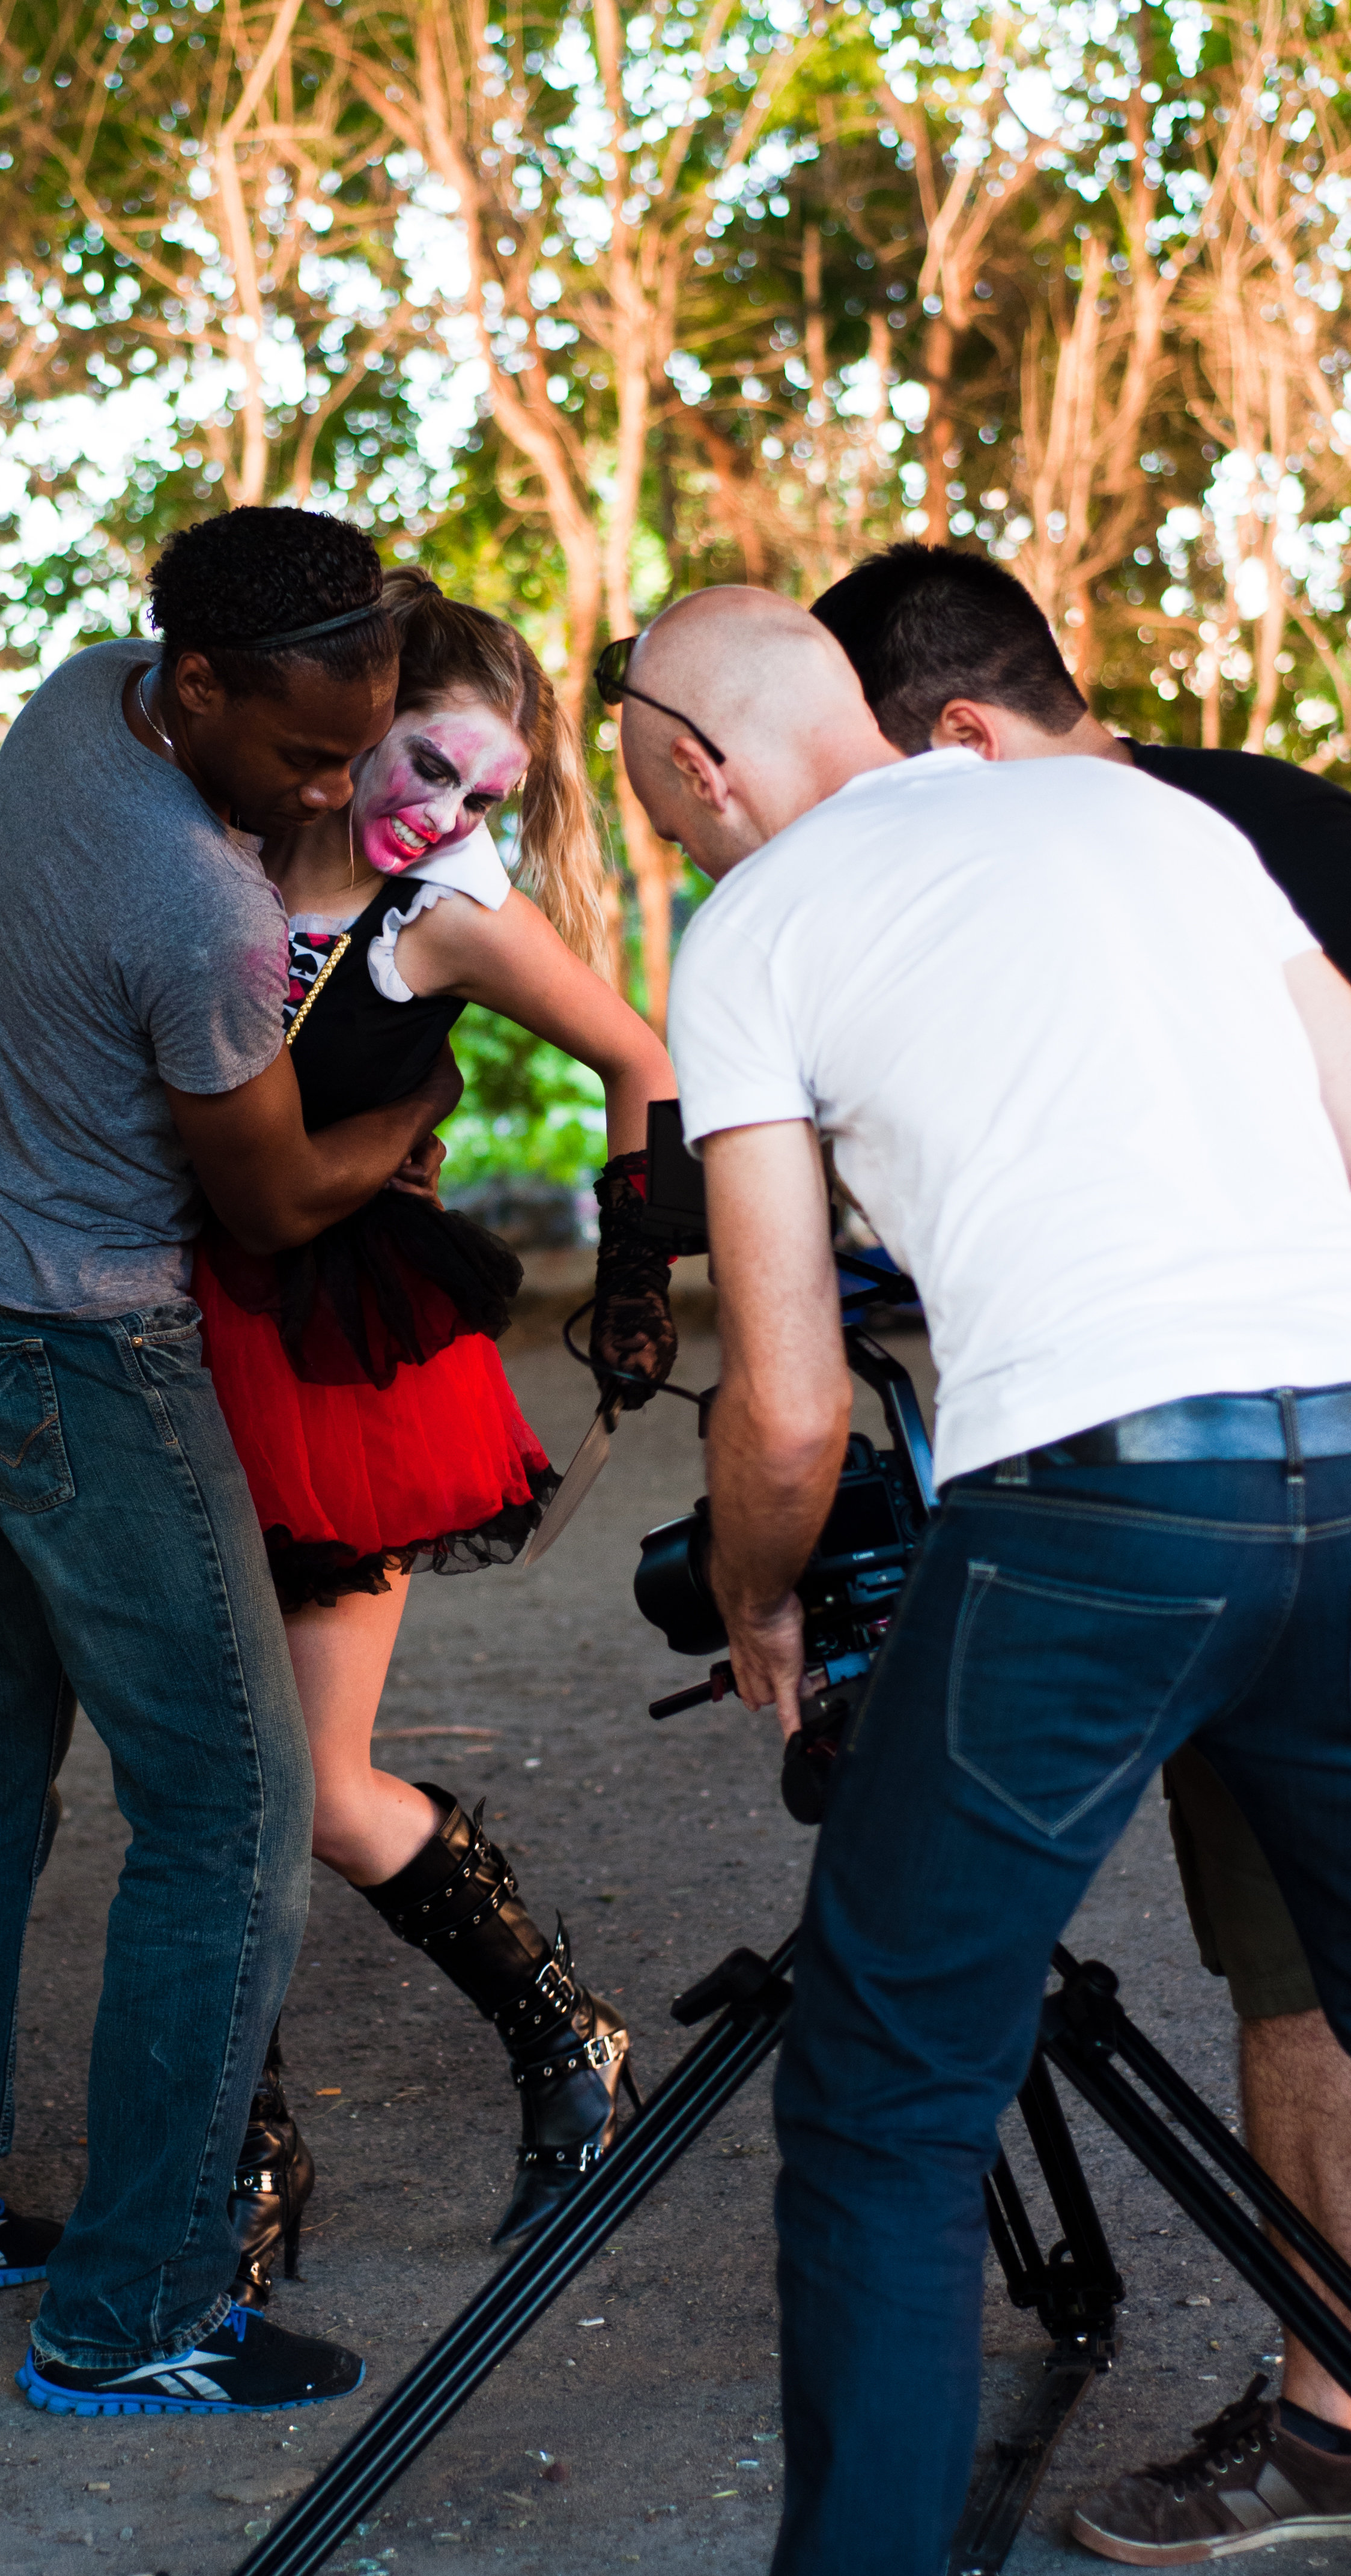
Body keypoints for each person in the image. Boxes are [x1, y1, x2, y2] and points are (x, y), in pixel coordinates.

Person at [606, 583, 1351, 2575]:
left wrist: (765, 1603)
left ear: (702, 763)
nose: (691, 849)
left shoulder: (755, 922)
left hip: (1098, 1512)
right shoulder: (1171, 825)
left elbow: (787, 1407)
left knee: (887, 2099)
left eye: (673, 818)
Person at [0, 506, 464, 2421]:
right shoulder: (203, 902)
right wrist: (412, 1116)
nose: (334, 789)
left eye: (360, 749)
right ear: (199, 683)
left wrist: (304, 808)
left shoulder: (71, 705)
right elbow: (266, 1202)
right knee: (237, 1809)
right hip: (64, 1334)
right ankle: (136, 2319)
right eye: (302, 756)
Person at [208, 571, 679, 2300]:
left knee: (308, 1786)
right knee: (203, 1781)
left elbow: (643, 1056)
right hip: (165, 1337)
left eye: (483, 794)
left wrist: (639, 1273)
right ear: (362, 714)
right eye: (426, 764)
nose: (443, 812)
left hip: (341, 1369)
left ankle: (570, 2041)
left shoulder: (453, 916)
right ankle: (244, 2150)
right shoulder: (225, 846)